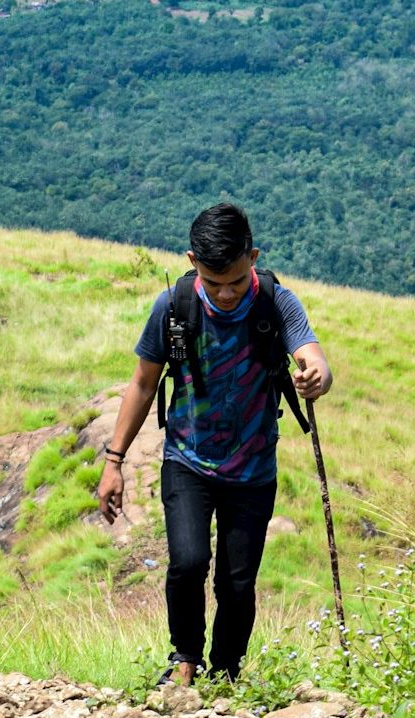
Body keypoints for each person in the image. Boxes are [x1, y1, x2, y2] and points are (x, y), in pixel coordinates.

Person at [97, 204, 332, 686]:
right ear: (191, 261)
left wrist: (316, 377)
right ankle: (184, 660)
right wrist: (114, 461)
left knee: (237, 582)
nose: (226, 294)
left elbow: (312, 356)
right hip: (187, 459)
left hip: (253, 469)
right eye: (214, 281)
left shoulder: (276, 303)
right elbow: (142, 385)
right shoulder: (173, 308)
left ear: (253, 258)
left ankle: (226, 674)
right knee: (187, 563)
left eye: (237, 281)